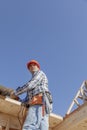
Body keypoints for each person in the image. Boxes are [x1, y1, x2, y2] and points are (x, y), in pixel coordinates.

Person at [11, 59, 52, 130]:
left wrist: (15, 93)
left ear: (38, 67)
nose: (32, 66)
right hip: (44, 102)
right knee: (42, 127)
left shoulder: (40, 73)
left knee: (29, 126)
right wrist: (18, 99)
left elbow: (30, 85)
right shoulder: (32, 89)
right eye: (30, 66)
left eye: (34, 65)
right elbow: (27, 100)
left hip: (40, 98)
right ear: (29, 70)